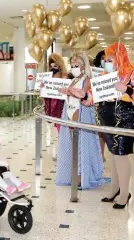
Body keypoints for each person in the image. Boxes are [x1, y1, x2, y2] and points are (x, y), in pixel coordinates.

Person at [99, 43, 134, 209]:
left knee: (121, 154)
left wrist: (127, 90)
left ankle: (124, 194)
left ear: (120, 57)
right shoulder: (106, 75)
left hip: (127, 118)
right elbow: (93, 96)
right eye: (105, 59)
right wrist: (84, 95)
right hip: (109, 118)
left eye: (110, 59)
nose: (106, 62)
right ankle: (115, 189)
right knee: (114, 153)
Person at [55, 51, 108, 190]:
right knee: (73, 146)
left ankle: (82, 177)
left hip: (81, 114)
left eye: (76, 64)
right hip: (70, 112)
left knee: (81, 146)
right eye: (72, 65)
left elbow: (84, 96)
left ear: (84, 66)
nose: (74, 67)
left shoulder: (87, 80)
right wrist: (66, 91)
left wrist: (71, 92)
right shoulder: (74, 79)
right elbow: (71, 94)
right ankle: (73, 175)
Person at [44, 53, 68, 134]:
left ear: (60, 66)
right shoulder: (49, 77)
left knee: (62, 127)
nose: (53, 68)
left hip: (62, 105)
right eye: (51, 66)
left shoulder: (65, 76)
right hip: (52, 105)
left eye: (55, 66)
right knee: (58, 126)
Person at [94, 50, 107, 163]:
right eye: (103, 58)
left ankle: (101, 154)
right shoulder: (94, 72)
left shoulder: (111, 72)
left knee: (102, 132)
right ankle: (96, 154)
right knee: (96, 131)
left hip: (107, 104)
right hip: (94, 104)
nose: (104, 60)